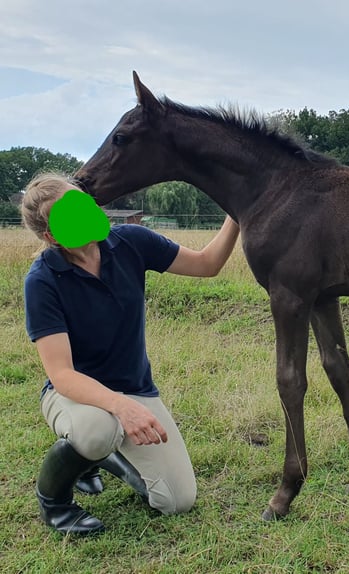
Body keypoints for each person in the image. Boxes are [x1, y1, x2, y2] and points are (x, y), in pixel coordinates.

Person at [22, 173, 240, 535]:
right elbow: (62, 375)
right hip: (72, 395)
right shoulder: (42, 281)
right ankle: (55, 503)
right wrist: (120, 407)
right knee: (96, 428)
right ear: (52, 236)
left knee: (176, 501)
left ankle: (100, 457)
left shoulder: (130, 242)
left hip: (135, 389)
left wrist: (236, 208)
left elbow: (207, 264)